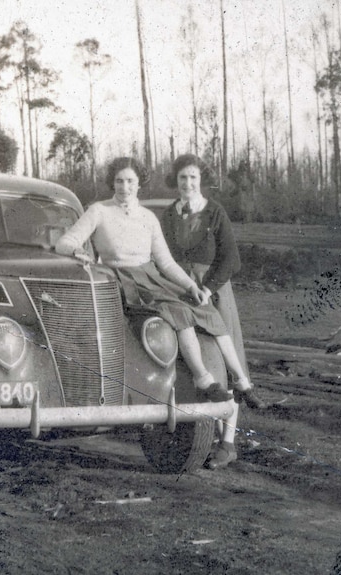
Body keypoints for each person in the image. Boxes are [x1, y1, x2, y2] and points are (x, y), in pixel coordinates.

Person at [55, 156, 250, 403]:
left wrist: (191, 286)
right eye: (119, 181)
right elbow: (65, 242)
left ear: (139, 184)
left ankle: (241, 381)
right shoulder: (99, 210)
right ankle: (203, 377)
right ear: (112, 183)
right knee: (178, 312)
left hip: (151, 277)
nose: (124, 187)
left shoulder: (148, 217)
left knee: (202, 308)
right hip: (120, 278)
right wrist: (77, 251)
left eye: (130, 181)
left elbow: (166, 263)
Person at [161, 153, 266, 469]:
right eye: (182, 178)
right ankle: (196, 431)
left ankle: (228, 444)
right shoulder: (168, 215)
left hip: (213, 293)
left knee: (225, 363)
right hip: (180, 291)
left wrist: (207, 288)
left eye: (193, 178)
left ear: (201, 181)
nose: (188, 183)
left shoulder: (215, 213)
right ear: (176, 182)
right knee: (193, 363)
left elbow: (231, 260)